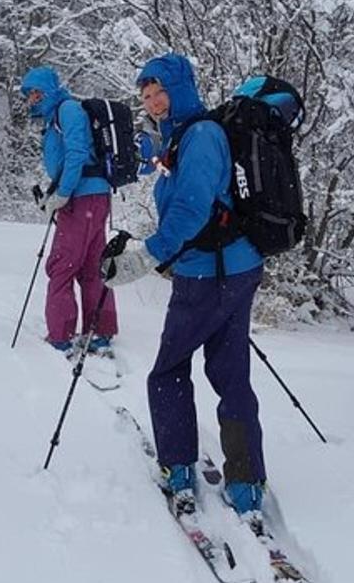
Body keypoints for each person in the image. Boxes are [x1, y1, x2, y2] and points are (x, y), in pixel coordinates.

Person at [102, 52, 267, 526]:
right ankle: (245, 481)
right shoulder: (189, 136)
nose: (153, 102)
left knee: (170, 369)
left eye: (159, 92)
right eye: (146, 96)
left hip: (207, 275)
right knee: (230, 371)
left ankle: (178, 468)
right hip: (236, 267)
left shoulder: (200, 137)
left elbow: (191, 211)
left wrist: (147, 256)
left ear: (181, 88)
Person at [19, 65, 118, 354]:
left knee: (62, 265)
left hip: (81, 199)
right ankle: (100, 329)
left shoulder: (68, 111)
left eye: (36, 92)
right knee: (91, 264)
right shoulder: (57, 117)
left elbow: (76, 154)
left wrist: (62, 194)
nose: (32, 99)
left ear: (49, 90)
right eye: (29, 94)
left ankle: (60, 334)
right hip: (92, 197)